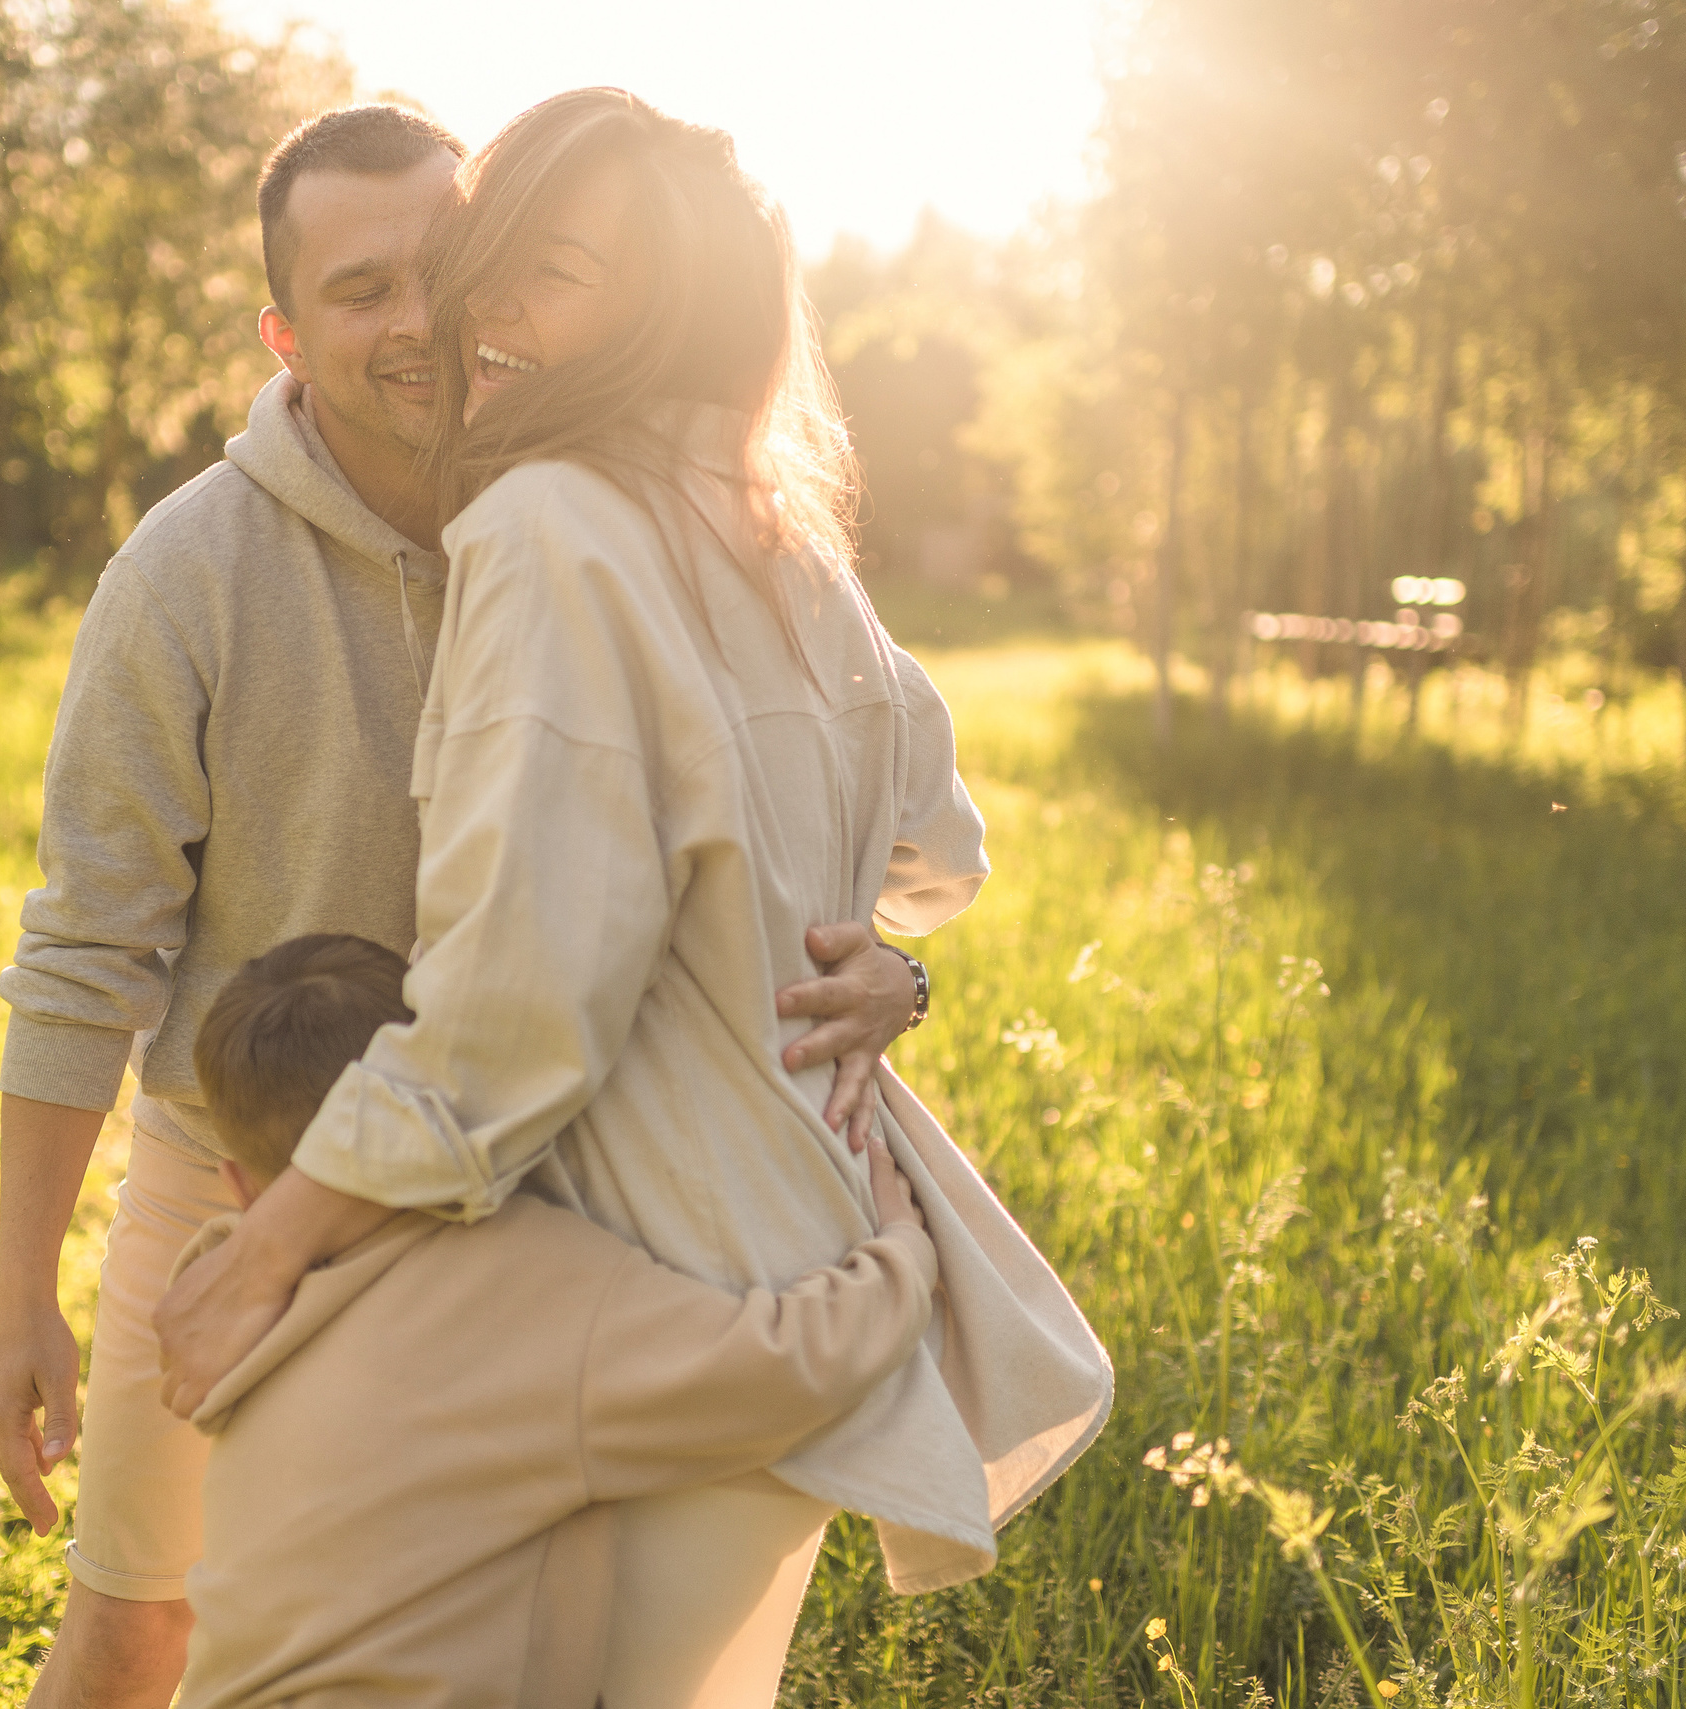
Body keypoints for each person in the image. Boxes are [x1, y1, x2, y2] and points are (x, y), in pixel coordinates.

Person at [159, 88, 1113, 1707]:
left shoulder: (550, 529)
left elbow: (514, 1013)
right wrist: (883, 958)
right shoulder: (791, 544)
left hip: (656, 1286)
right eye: (497, 260)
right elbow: (940, 856)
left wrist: (268, 1249)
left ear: (667, 302)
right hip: (798, 1251)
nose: (491, 313)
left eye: (563, 271)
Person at [0, 102, 927, 1709]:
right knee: (147, 1611)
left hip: (543, 1194)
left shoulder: (638, 526)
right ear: (286, 331)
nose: (422, 322)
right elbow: (87, 947)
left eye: (451, 265)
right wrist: (25, 1295)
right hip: (243, 1166)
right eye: (361, 293)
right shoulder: (190, 572)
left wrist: (889, 968)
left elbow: (850, 809)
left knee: (497, 1648)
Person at [168, 932, 937, 1709]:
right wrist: (903, 1250)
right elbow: (786, 1366)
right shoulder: (519, 1284)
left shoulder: (221, 1308)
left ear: (238, 1184)